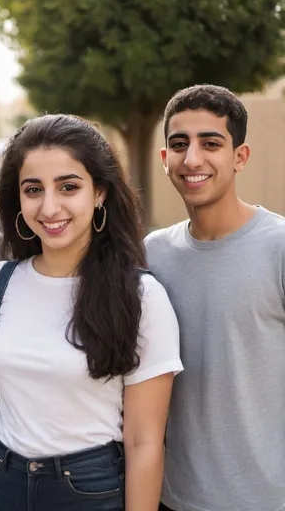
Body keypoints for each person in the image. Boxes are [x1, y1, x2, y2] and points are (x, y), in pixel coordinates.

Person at [0, 114, 183, 511]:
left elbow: (145, 441)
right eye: (33, 189)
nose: (49, 207)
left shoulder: (141, 296)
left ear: (99, 192)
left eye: (68, 186)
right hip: (1, 483)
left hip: (89, 490)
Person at [145, 84, 285, 511]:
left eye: (211, 143)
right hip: (174, 497)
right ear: (165, 158)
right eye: (179, 144)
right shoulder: (152, 254)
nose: (193, 159)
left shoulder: (279, 247)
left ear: (239, 157)